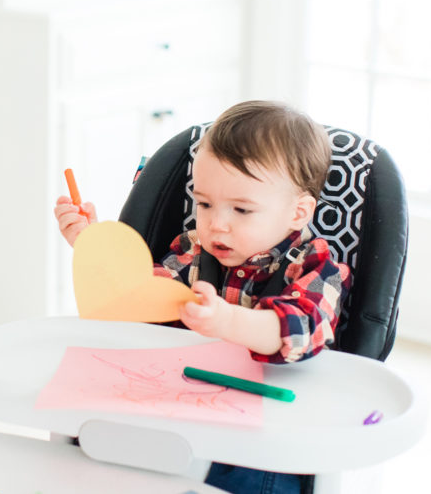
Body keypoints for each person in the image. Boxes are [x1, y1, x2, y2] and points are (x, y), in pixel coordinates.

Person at [54, 100, 352, 494]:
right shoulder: (194, 249)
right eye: (204, 204)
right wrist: (92, 247)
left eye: (242, 210)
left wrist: (227, 322)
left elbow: (302, 329)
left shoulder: (316, 267)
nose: (216, 224)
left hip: (262, 438)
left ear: (298, 213)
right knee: (91, 447)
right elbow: (137, 298)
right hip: (176, 412)